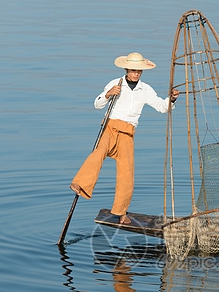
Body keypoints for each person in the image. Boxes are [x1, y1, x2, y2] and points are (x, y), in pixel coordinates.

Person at [70, 52, 179, 224]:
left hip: (128, 132)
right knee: (99, 154)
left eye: (139, 71)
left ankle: (121, 213)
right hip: (110, 127)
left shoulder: (146, 90)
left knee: (126, 172)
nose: (136, 73)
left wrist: (171, 99)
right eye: (133, 70)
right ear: (126, 69)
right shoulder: (115, 83)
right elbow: (97, 104)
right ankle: (80, 184)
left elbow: (162, 107)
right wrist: (108, 95)